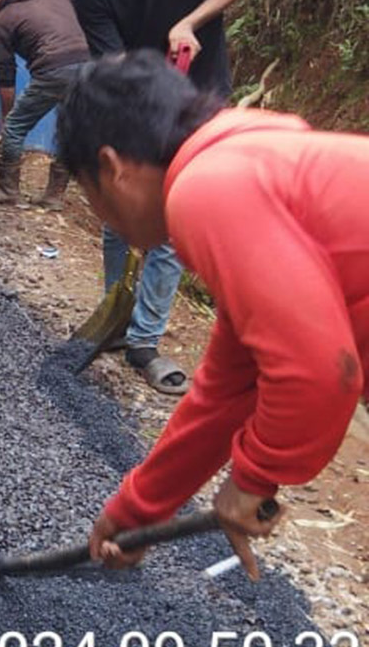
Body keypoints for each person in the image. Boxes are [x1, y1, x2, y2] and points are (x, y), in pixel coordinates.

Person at [56, 52, 368, 583]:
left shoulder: (207, 189)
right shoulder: (247, 157)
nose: (103, 216)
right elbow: (229, 388)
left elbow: (320, 372)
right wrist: (136, 510)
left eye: (91, 196)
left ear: (112, 166)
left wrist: (255, 475)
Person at [38, 0, 262, 396]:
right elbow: (113, 64)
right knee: (120, 217)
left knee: (174, 220)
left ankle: (144, 339)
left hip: (198, 104)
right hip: (137, 111)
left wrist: (191, 20)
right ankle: (115, 309)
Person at [0, 0, 89, 209]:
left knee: (15, 127)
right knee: (70, 127)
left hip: (54, 69)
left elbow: (6, 74)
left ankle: (8, 190)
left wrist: (6, 117)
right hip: (91, 66)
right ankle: (54, 196)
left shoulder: (2, 22)